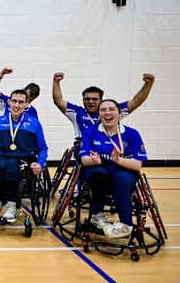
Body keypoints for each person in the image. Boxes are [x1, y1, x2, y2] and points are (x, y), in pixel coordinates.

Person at [0, 89, 48, 223]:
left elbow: (43, 148)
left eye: (21, 102)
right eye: (14, 101)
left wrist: (40, 163)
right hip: (0, 156)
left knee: (12, 166)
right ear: (9, 102)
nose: (16, 105)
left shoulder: (34, 123)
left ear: (27, 104)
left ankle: (12, 203)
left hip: (22, 159)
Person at [79, 99, 147, 238]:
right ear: (99, 114)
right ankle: (97, 216)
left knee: (121, 178)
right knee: (100, 176)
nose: (107, 113)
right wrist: (95, 160)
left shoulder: (131, 133)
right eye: (103, 110)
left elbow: (137, 164)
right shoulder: (90, 131)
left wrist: (118, 160)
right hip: (97, 168)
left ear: (119, 113)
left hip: (123, 170)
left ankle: (125, 224)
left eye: (111, 109)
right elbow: (84, 160)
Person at [52, 72, 155, 138]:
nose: (91, 101)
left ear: (101, 100)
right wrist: (56, 82)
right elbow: (59, 101)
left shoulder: (111, 111)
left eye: (95, 99)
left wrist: (148, 84)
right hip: (84, 149)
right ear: (83, 100)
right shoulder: (77, 112)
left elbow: (135, 101)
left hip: (108, 146)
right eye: (87, 99)